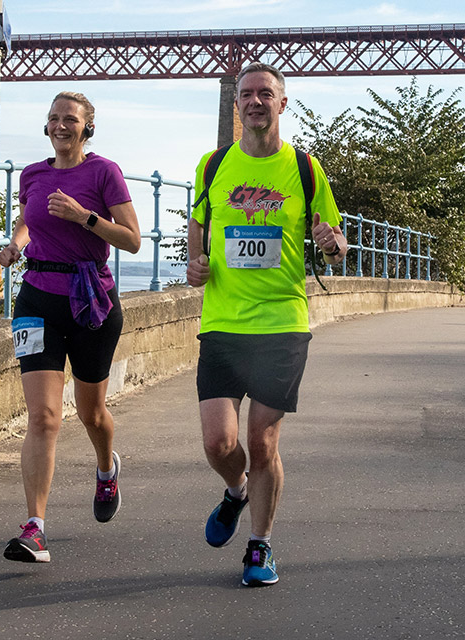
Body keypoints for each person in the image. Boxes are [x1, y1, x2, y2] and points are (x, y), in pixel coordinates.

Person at [187, 63, 347, 587]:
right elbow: (198, 224)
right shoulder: (212, 166)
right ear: (237, 106)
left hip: (282, 322)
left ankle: (260, 547)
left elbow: (340, 246)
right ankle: (237, 492)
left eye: (265, 94)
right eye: (246, 94)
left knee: (263, 442)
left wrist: (332, 245)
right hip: (223, 322)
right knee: (218, 443)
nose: (254, 101)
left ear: (282, 104)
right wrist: (194, 264)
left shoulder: (305, 168)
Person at [0, 91, 141, 563]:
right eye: (54, 118)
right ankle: (35, 528)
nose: (61, 126)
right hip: (37, 298)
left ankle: (105, 469)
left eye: (71, 120)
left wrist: (85, 218)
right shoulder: (32, 174)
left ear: (87, 128)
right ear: (47, 126)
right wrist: (17, 243)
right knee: (43, 417)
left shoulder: (104, 172)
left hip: (91, 301)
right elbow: (29, 219)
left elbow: (134, 240)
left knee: (90, 413)